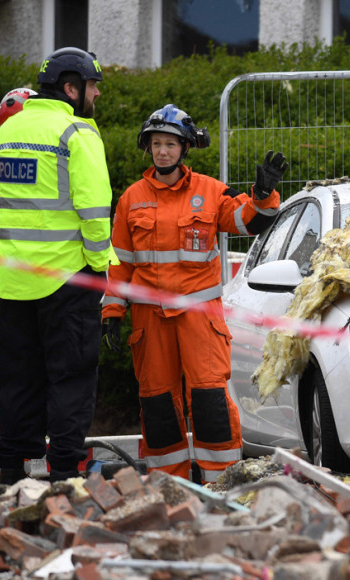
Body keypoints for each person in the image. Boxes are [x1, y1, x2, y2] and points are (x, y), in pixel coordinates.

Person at [101, 104, 287, 482]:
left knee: (209, 398)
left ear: (185, 148)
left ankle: (221, 480)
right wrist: (111, 313)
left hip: (200, 316)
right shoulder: (130, 199)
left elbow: (248, 222)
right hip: (150, 318)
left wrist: (264, 194)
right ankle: (168, 481)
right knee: (156, 402)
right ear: (148, 148)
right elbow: (120, 263)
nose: (162, 151)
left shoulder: (209, 190)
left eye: (170, 144)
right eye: (156, 144)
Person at [0, 47, 114, 485]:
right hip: (67, 277)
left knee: (18, 380)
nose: (95, 96)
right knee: (71, 377)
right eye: (93, 87)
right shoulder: (77, 131)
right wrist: (101, 269)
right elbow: (94, 210)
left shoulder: (10, 130)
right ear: (71, 87)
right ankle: (64, 471)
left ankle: (13, 472)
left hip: (14, 282)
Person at [0, 87, 37, 477]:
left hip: (16, 293)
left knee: (23, 391)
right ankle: (9, 476)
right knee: (17, 393)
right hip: (16, 296)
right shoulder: (7, 182)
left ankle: (21, 473)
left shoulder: (7, 178)